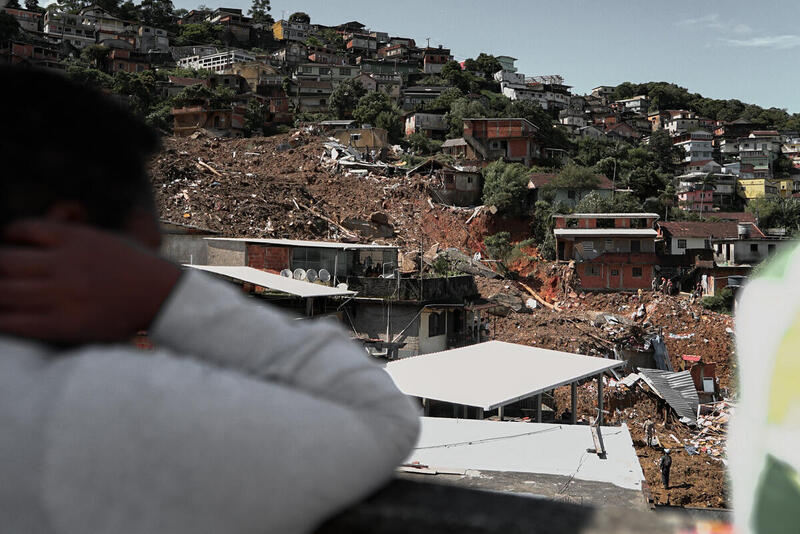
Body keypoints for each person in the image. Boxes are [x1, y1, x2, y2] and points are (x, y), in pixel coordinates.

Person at [0, 66, 420, 533]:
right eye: (147, 247)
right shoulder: (113, 407)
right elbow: (380, 418)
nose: (159, 253)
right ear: (71, 234)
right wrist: (165, 291)